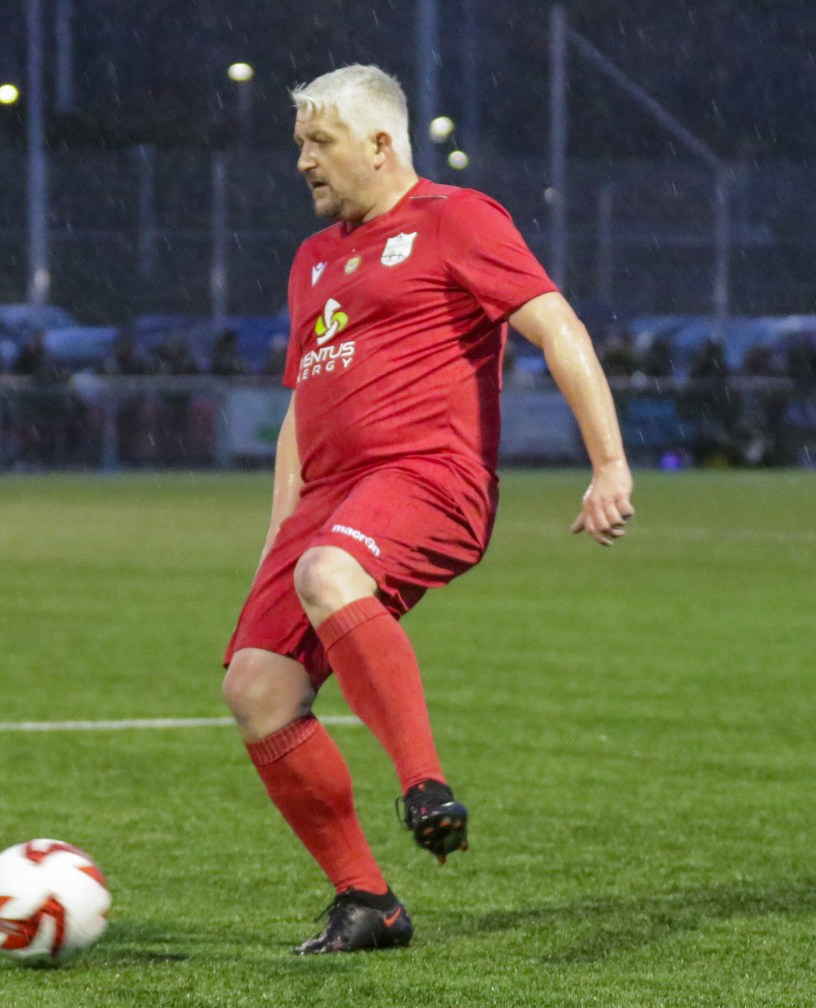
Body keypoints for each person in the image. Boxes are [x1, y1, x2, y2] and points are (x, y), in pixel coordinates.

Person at [222, 65, 634, 956]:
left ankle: (424, 786)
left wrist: (608, 464)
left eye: (319, 142)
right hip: (328, 501)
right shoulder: (313, 257)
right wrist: (275, 539)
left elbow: (558, 327)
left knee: (330, 571)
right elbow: (301, 408)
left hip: (430, 475)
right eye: (299, 144)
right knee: (256, 688)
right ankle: (368, 901)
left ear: (381, 144)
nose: (303, 161)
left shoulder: (458, 218)